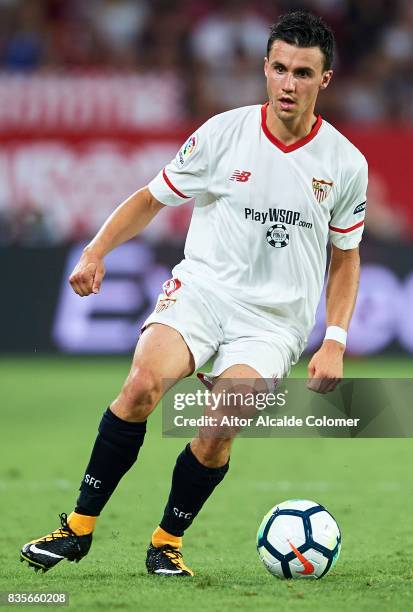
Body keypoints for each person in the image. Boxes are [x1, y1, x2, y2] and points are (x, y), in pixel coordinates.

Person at [20, 10, 367, 577]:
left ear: (324, 80)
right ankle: (76, 530)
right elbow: (151, 198)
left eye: (303, 73)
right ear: (265, 68)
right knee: (142, 385)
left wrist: (335, 339)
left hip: (273, 320)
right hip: (203, 291)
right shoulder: (222, 134)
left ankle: (166, 543)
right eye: (279, 68)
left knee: (219, 423)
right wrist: (95, 251)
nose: (288, 83)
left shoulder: (346, 164)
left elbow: (346, 259)